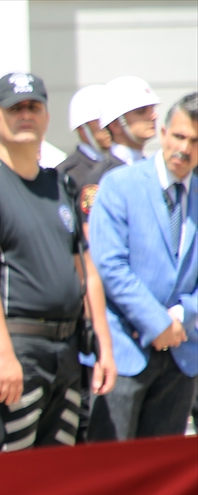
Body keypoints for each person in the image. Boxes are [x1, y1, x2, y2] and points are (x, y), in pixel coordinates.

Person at [0, 73, 115, 453]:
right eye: (14, 109)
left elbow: (86, 271)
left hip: (67, 350)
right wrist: (4, 355)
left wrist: (106, 348)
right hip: (18, 351)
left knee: (58, 478)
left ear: (46, 117)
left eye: (33, 107)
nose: (25, 115)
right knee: (13, 479)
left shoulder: (59, 185)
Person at [88, 93, 198, 439]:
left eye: (196, 141)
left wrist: (181, 317)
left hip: (183, 352)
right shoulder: (120, 185)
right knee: (110, 475)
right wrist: (156, 321)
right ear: (163, 132)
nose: (184, 148)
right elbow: (109, 265)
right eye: (179, 136)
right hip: (125, 352)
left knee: (160, 477)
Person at [78, 77, 161, 225]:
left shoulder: (156, 168)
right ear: (116, 125)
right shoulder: (101, 178)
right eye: (141, 111)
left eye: (152, 109)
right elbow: (94, 238)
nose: (153, 116)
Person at [58, 84, 111, 186]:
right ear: (82, 128)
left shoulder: (126, 165)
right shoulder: (66, 173)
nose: (109, 126)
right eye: (101, 121)